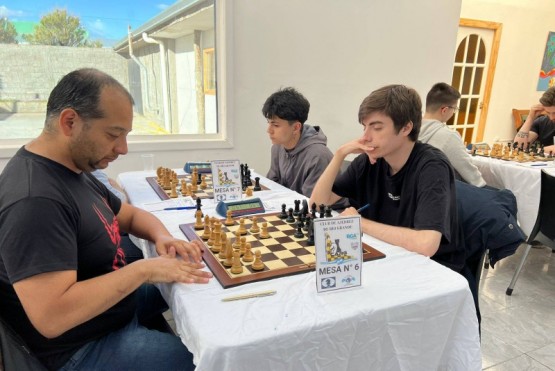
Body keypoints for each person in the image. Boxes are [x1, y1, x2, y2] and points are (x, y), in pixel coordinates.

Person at [0, 68, 212, 371]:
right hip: (79, 348)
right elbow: (51, 317)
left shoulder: (73, 169)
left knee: (195, 288)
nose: (123, 149)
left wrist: (162, 237)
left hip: (112, 310)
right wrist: (143, 270)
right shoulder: (35, 199)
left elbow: (130, 215)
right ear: (70, 122)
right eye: (113, 135)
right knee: (206, 361)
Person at [310, 84, 465, 273]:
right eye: (365, 127)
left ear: (406, 127)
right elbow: (317, 204)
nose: (365, 137)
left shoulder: (432, 167)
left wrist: (360, 223)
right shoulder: (369, 161)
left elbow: (427, 244)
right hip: (385, 257)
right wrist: (340, 155)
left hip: (429, 270)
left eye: (376, 127)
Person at [263, 87, 336, 198]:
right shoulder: (277, 147)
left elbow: (312, 203)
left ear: (296, 127)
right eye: (269, 123)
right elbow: (273, 184)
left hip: (328, 212)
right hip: (290, 206)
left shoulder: (318, 156)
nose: (269, 130)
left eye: (276, 125)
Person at [419, 82, 486, 187]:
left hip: (415, 188)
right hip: (441, 191)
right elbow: (467, 170)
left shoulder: (409, 129)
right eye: (454, 109)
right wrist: (482, 186)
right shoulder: (448, 136)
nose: (453, 113)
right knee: (505, 196)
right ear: (445, 110)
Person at [513, 86, 555, 154]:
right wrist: (530, 118)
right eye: (548, 112)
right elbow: (518, 146)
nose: (551, 117)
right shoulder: (541, 121)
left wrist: (534, 150)